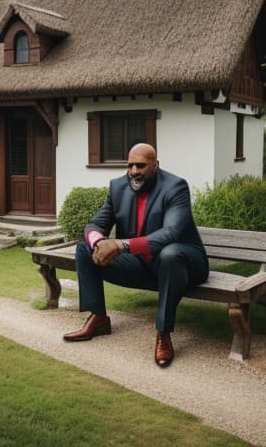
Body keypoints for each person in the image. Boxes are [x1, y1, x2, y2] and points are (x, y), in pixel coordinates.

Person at [63, 143, 209, 367]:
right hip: (142, 265)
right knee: (85, 247)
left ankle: (163, 333)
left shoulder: (175, 187)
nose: (133, 171)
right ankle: (98, 318)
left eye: (140, 165)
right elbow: (95, 224)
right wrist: (99, 241)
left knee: (170, 254)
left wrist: (121, 245)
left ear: (155, 165)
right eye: (130, 165)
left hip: (184, 265)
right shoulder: (118, 187)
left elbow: (171, 233)